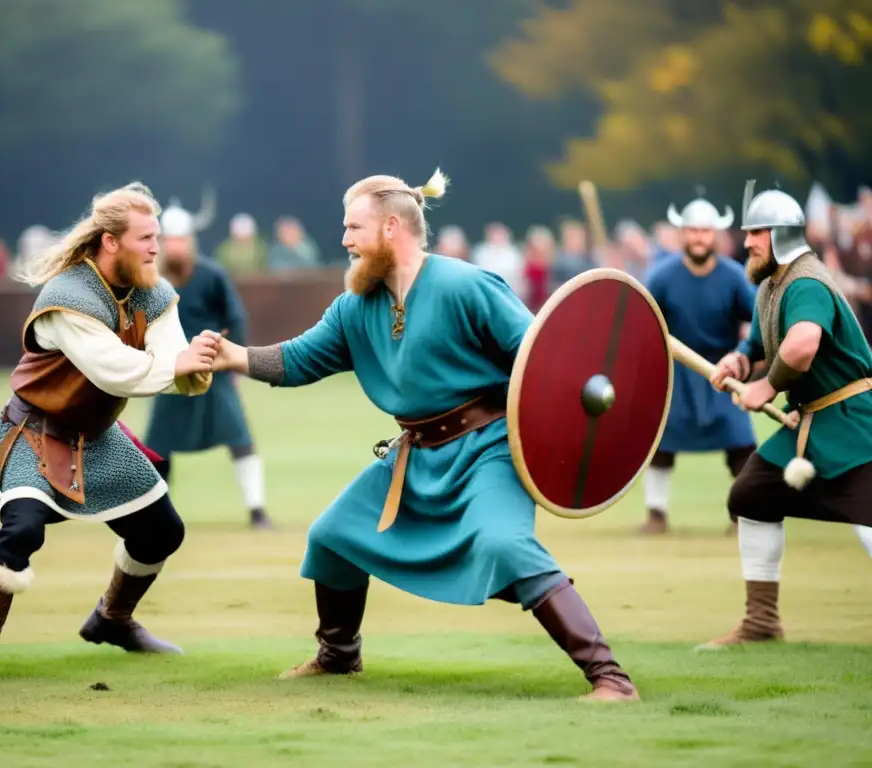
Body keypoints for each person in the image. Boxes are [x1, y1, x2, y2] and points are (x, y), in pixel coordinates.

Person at [208, 169, 639, 701]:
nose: (344, 240)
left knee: (505, 545)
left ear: (391, 228)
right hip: (415, 458)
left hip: (490, 451)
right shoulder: (355, 307)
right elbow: (297, 359)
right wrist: (233, 357)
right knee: (333, 537)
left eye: (353, 227)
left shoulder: (467, 285)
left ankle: (611, 678)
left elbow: (541, 359)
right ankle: (338, 655)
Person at [0, 182, 219, 683]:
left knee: (163, 531)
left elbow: (171, 361)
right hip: (36, 432)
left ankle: (112, 620)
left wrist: (202, 362)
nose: (156, 247)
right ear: (111, 241)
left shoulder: (154, 291)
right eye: (145, 238)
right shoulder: (67, 298)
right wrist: (179, 365)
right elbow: (114, 371)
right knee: (22, 531)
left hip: (98, 436)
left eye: (156, 236)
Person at [702, 184, 872, 649]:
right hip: (809, 422)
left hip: (852, 422)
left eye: (756, 232)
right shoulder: (771, 286)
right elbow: (758, 346)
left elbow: (801, 346)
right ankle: (761, 623)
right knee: (752, 496)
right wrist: (739, 363)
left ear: (780, 235)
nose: (747, 242)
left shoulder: (806, 280)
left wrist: (766, 386)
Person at [143, 198, 272, 529]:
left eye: (180, 239)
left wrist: (237, 363)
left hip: (213, 370)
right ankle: (156, 516)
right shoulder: (149, 280)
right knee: (158, 446)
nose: (174, 246)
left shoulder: (212, 275)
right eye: (168, 240)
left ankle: (257, 511)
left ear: (190, 241)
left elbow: (235, 317)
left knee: (240, 437)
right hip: (168, 373)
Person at [641, 196, 758, 535]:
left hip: (721, 372)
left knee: (741, 444)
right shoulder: (661, 277)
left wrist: (742, 356)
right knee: (660, 445)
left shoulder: (735, 277)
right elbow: (643, 321)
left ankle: (744, 515)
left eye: (705, 231)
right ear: (682, 234)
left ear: (716, 235)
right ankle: (656, 514)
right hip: (675, 375)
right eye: (692, 230)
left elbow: (759, 324)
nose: (698, 238)